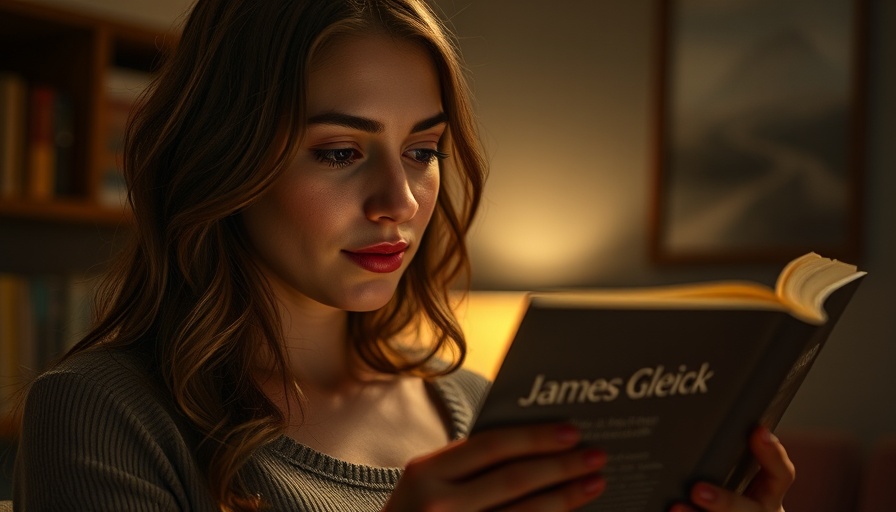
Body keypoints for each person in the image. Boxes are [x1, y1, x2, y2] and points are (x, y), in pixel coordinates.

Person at [13, 0, 795, 510]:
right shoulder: (103, 413)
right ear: (225, 161)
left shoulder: (486, 409)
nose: (401, 200)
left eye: (423, 150)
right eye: (340, 152)